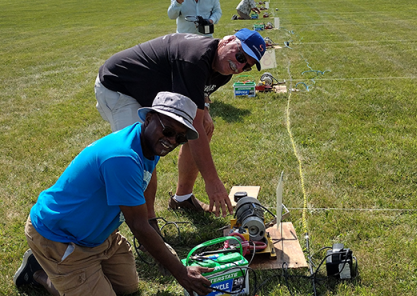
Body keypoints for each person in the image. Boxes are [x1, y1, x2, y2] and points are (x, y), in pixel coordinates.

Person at [13, 92, 214, 296]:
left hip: (99, 237)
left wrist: (156, 235)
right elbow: (137, 224)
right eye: (169, 130)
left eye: (180, 138)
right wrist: (181, 272)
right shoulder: (123, 158)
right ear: (149, 118)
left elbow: (142, 198)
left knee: (128, 288)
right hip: (60, 238)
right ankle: (39, 272)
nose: (171, 141)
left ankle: (78, 276)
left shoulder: (148, 144)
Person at [94, 28, 266, 219]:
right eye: (241, 56)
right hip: (119, 87)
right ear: (228, 40)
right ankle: (148, 223)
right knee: (142, 151)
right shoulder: (195, 57)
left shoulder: (224, 70)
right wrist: (212, 182)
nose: (239, 66)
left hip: (147, 90)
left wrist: (205, 108)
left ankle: (182, 198)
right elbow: (194, 121)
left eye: (247, 66)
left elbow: (198, 92)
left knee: (204, 126)